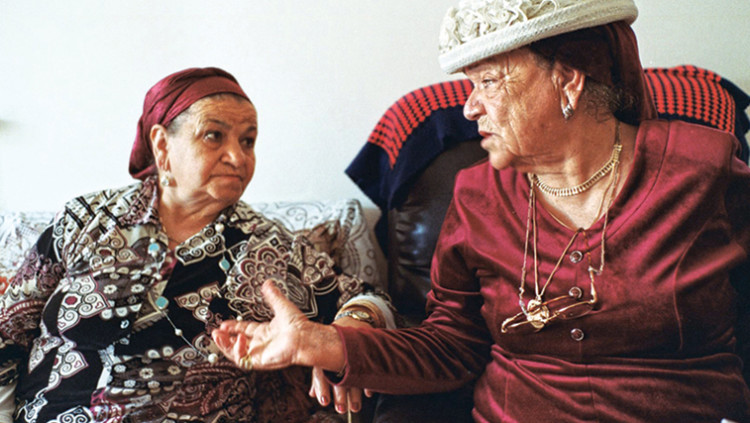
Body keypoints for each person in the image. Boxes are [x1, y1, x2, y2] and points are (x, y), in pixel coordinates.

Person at [211, 0, 750, 422]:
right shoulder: (478, 196)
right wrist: (321, 342)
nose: (469, 108)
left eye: (488, 81)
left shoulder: (702, 171)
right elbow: (451, 346)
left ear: (568, 79)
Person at [0, 67, 394, 423]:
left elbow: (370, 299)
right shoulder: (86, 219)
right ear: (162, 145)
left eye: (248, 140)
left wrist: (344, 337)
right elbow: (8, 333)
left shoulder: (268, 246)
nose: (237, 156)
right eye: (213, 135)